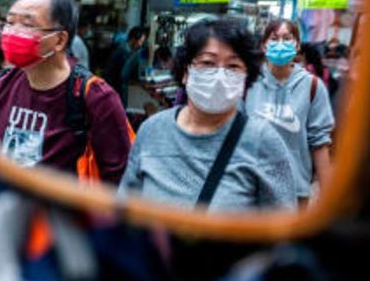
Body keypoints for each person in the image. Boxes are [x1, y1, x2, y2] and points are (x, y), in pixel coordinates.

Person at [120, 18, 296, 210]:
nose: (220, 77)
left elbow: (283, 229)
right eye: (207, 63)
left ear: (246, 76)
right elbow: (125, 211)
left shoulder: (262, 141)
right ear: (186, 71)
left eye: (233, 66)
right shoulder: (151, 131)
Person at [0, 0, 132, 185]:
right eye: (9, 22)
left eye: (27, 24)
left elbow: (120, 182)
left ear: (59, 40)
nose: (12, 32)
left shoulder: (94, 97)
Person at [245, 19, 335, 204]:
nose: (280, 44)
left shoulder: (312, 86)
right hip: (251, 188)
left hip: (294, 191)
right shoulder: (248, 84)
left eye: (287, 38)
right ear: (264, 46)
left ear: (297, 45)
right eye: (274, 38)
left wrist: (328, 199)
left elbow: (320, 143)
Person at [106, 24, 149, 108]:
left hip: (119, 89)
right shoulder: (122, 51)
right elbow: (119, 74)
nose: (140, 45)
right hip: (115, 89)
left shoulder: (129, 50)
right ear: (133, 39)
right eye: (140, 41)